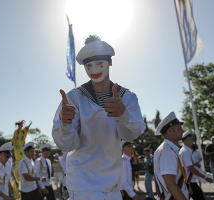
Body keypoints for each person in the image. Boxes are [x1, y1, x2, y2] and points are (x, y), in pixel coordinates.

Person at [52, 35, 145, 200]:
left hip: (112, 184)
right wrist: (64, 124)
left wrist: (123, 115)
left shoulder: (127, 97)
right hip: (83, 184)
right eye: (89, 66)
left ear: (110, 62)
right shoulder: (74, 98)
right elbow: (67, 144)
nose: (94, 71)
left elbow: (130, 135)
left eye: (99, 64)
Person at [153, 112, 188, 200]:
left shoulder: (170, 149)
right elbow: (170, 184)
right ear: (170, 131)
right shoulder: (167, 151)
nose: (183, 131)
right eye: (179, 129)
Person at [179, 130, 212, 200]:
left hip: (188, 181)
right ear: (185, 140)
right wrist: (205, 177)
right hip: (189, 182)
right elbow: (191, 169)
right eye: (191, 139)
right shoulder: (185, 151)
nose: (192, 141)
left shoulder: (186, 150)